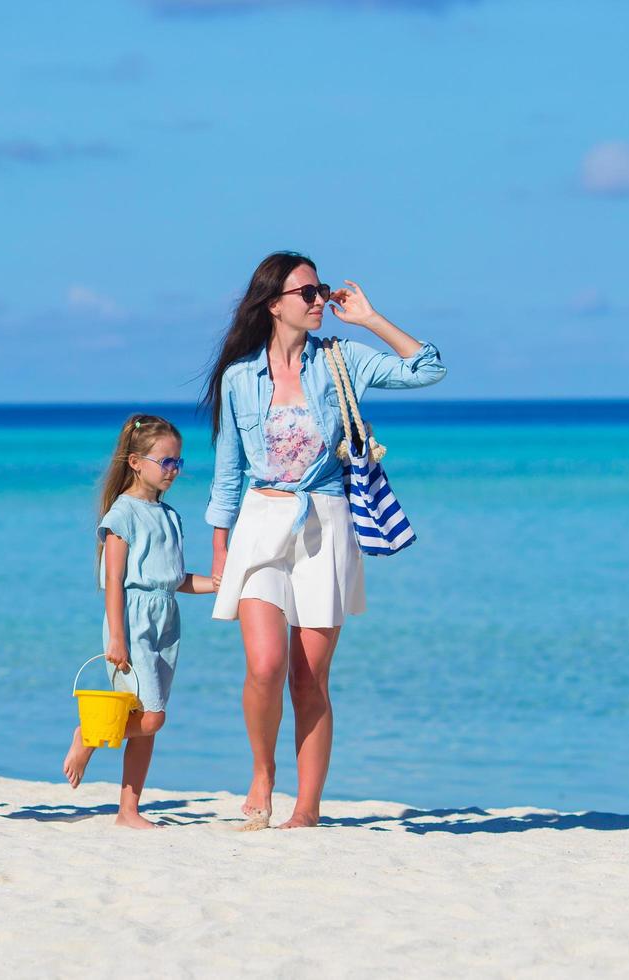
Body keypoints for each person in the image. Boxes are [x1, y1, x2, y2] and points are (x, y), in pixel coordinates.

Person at [202, 251, 446, 830]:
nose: (319, 301)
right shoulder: (240, 378)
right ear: (273, 304)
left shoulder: (343, 360)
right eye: (307, 293)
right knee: (264, 665)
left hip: (327, 525)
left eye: (321, 290)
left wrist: (370, 319)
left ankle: (306, 809)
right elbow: (228, 469)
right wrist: (220, 544)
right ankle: (263, 774)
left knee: (308, 678)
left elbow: (427, 368)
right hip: (261, 524)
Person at [62, 416, 216, 828]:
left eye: (178, 462)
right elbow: (115, 579)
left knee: (150, 723)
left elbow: (175, 579)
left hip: (167, 621)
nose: (174, 470)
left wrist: (217, 583)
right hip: (132, 622)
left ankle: (128, 811)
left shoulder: (169, 515)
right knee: (151, 716)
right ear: (135, 461)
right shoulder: (122, 514)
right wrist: (117, 637)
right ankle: (89, 734)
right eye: (165, 461)